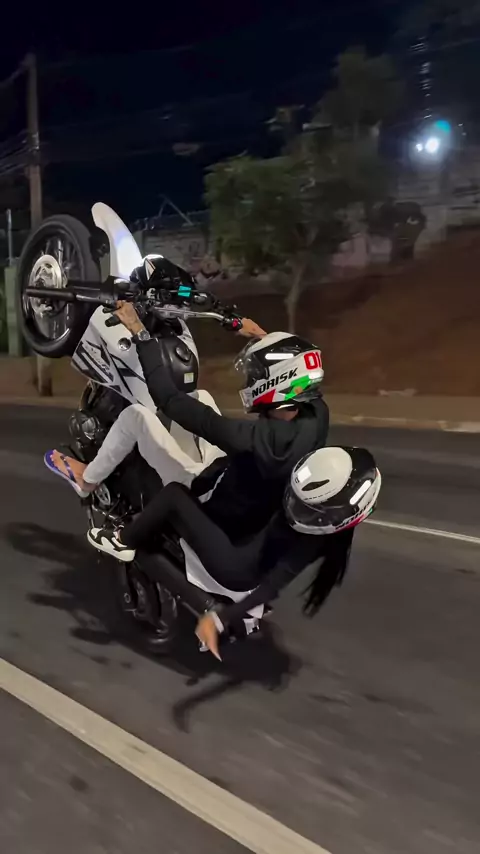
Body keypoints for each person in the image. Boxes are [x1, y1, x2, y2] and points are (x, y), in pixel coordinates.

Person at [48, 302, 330, 541]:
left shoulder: (250, 439)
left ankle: (88, 480)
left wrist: (139, 331)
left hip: (205, 498)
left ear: (273, 384)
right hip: (235, 485)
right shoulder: (317, 416)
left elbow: (168, 399)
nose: (250, 379)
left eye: (256, 375)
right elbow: (299, 376)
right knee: (200, 397)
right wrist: (262, 338)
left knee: (136, 417)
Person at [87, 446, 382, 658]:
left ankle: (122, 539)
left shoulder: (313, 542)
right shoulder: (326, 522)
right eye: (298, 499)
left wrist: (219, 619)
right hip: (248, 545)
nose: (297, 509)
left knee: (173, 497)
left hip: (236, 567)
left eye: (309, 510)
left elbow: (272, 586)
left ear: (337, 516)